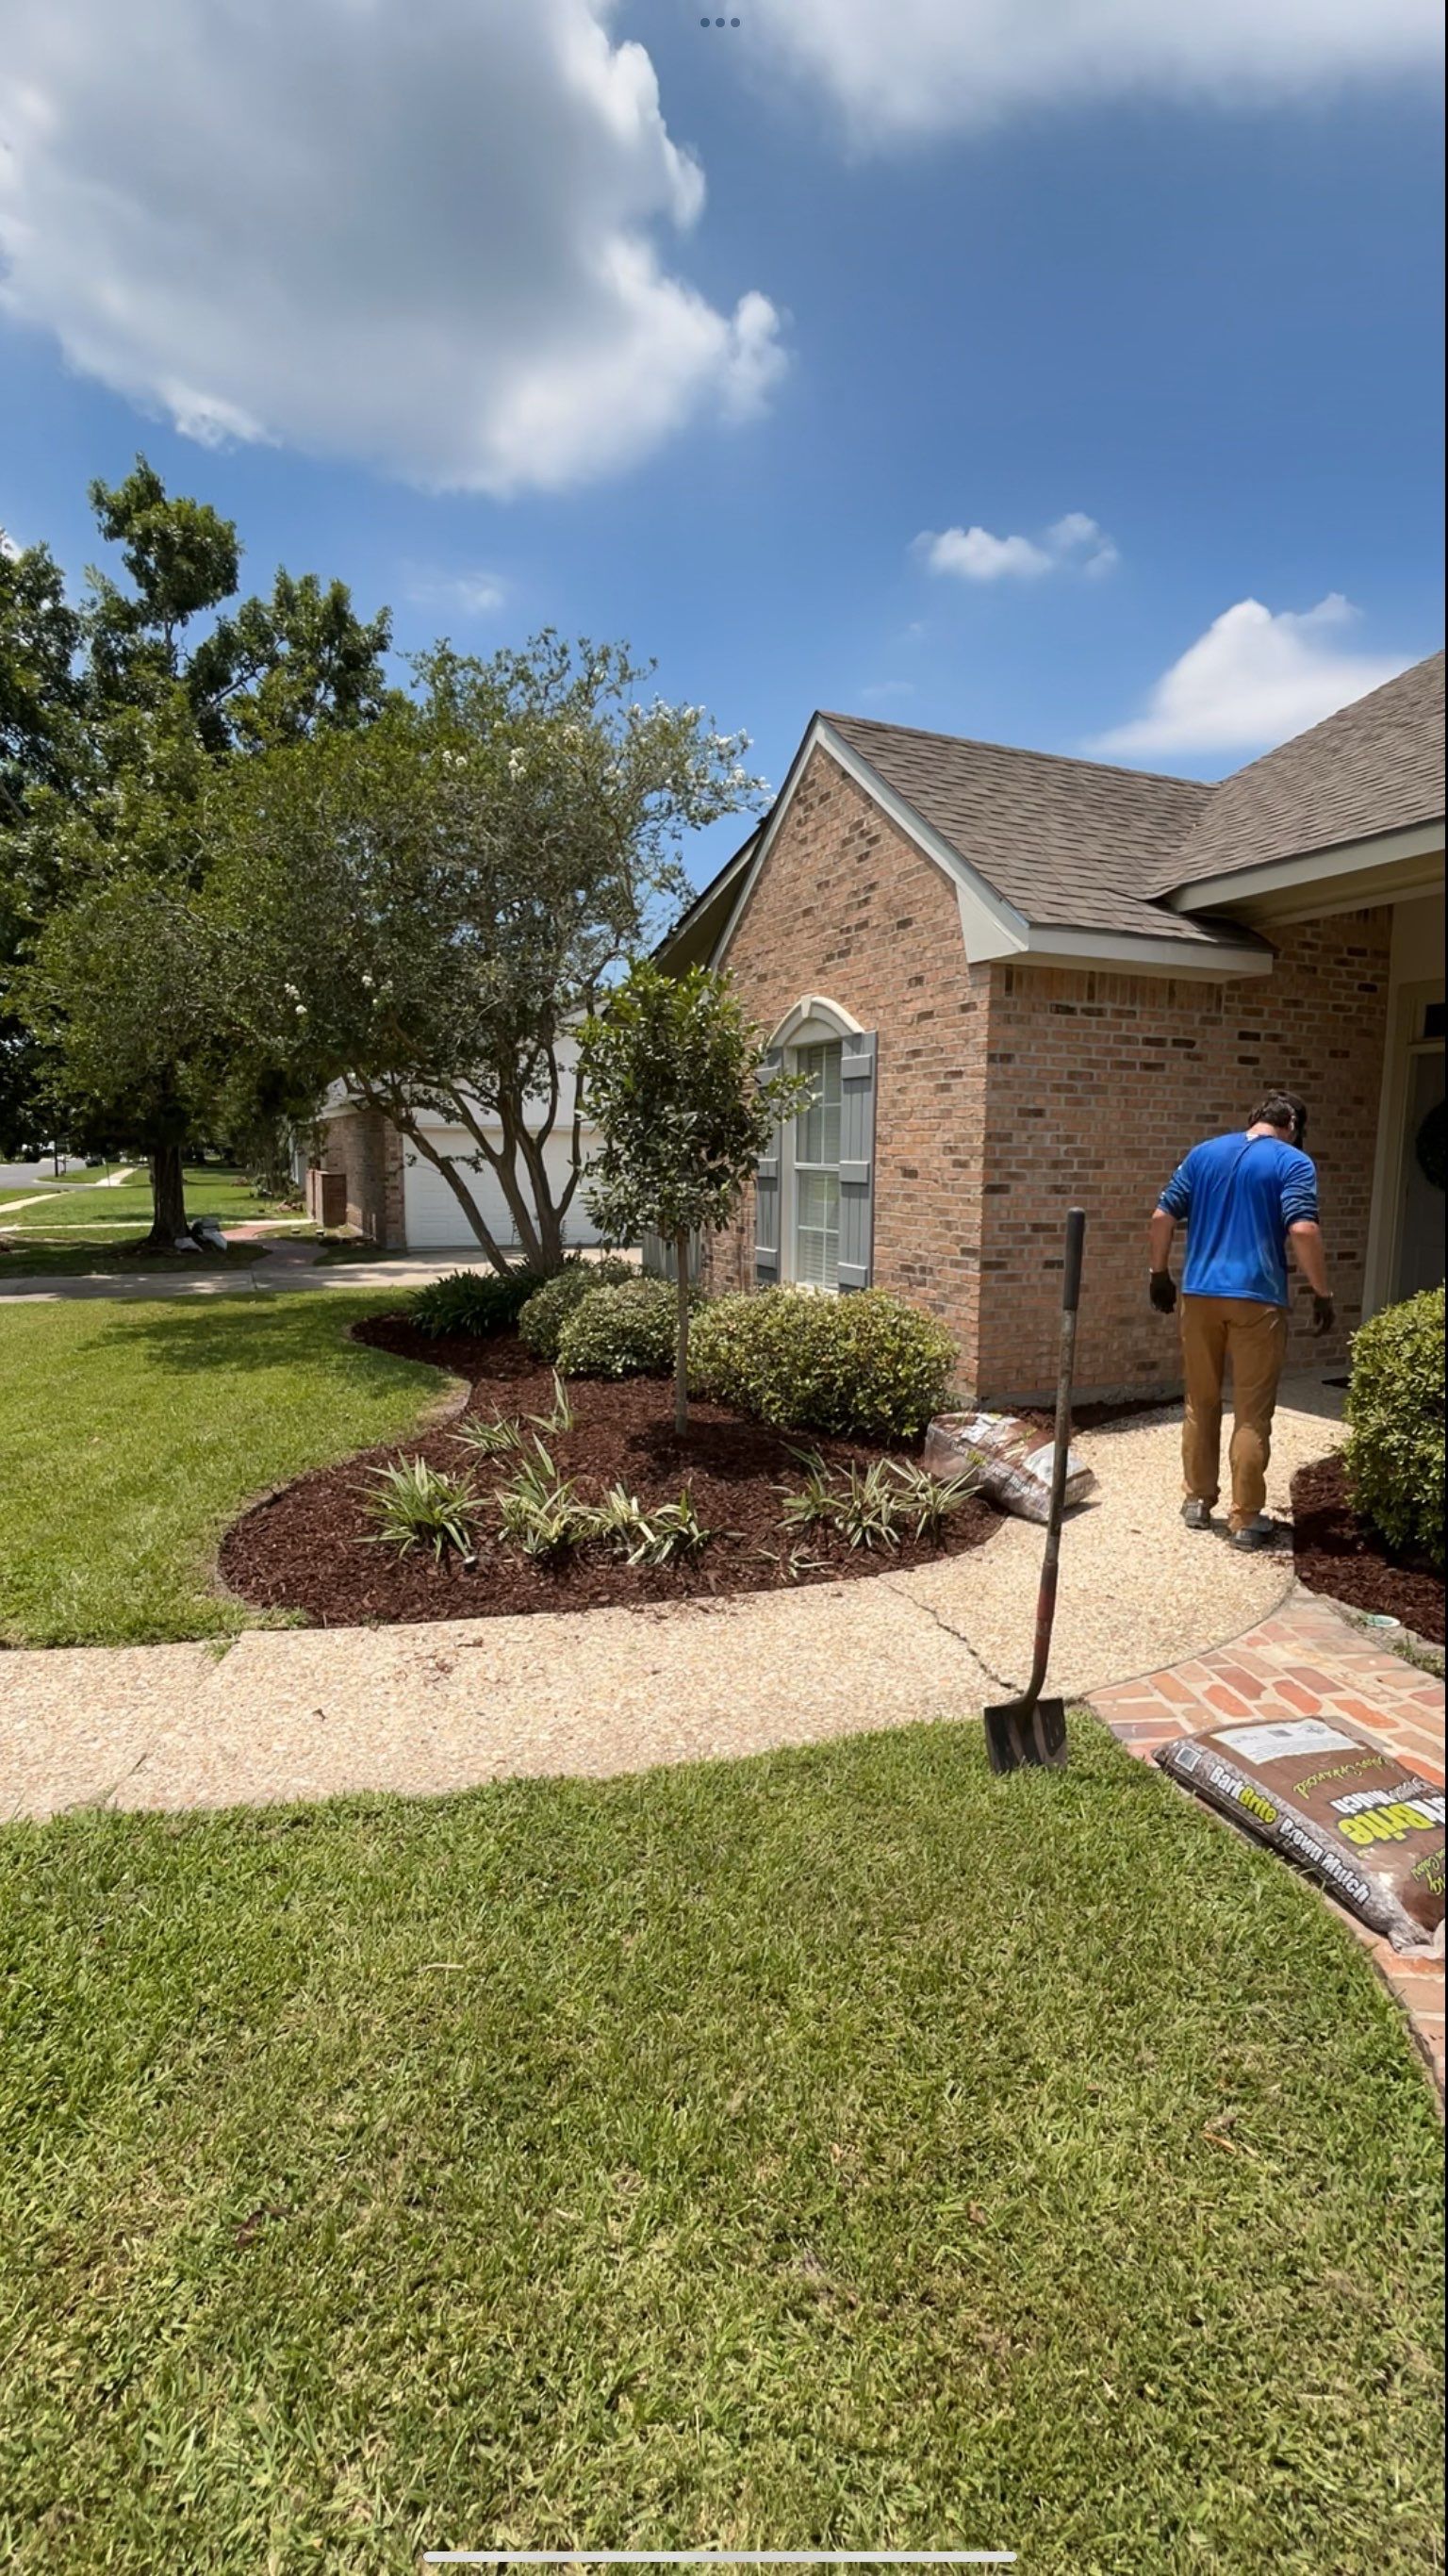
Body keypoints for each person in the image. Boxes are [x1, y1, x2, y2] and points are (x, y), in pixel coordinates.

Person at [1148, 1090, 1335, 1550]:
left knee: (1201, 1399)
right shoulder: (1292, 1162)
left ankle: (1196, 1500)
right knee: (1251, 1411)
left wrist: (1159, 1274)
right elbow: (1303, 1228)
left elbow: (1161, 1215)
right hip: (1258, 1298)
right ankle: (1246, 1519)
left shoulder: (1203, 1154)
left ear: (1254, 1117)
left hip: (1199, 1294)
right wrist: (1322, 1291)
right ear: (1291, 1125)